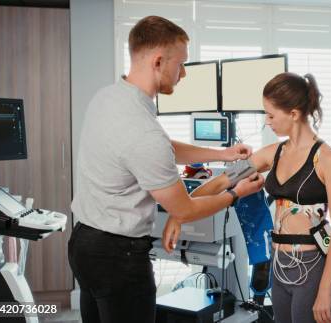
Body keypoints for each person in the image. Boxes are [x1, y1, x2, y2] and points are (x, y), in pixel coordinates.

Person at [68, 16, 264, 323]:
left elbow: (161, 146)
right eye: (182, 64)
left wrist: (222, 154)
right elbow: (183, 208)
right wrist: (236, 193)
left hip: (83, 243)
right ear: (159, 61)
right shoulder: (143, 131)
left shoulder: (109, 97)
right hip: (119, 259)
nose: (184, 73)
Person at [165, 72, 331, 323]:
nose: (267, 121)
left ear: (293, 114)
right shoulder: (273, 153)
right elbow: (222, 181)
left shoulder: (328, 159)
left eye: (271, 115)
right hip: (279, 265)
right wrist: (182, 210)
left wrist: (326, 290)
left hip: (313, 265)